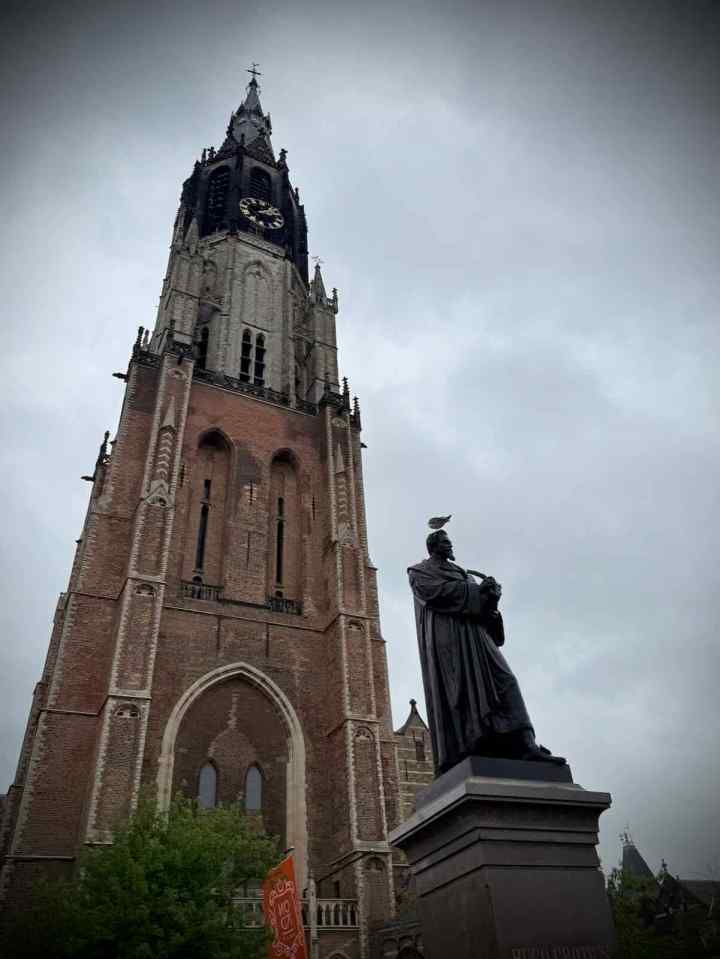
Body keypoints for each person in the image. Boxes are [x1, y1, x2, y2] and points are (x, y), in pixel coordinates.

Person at [408, 529, 565, 774]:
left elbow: (484, 611)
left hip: (476, 636)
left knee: (506, 680)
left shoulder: (464, 574)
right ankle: (474, 742)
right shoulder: (420, 572)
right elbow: (434, 594)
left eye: (451, 542)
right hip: (450, 639)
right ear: (434, 546)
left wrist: (491, 598)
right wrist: (475, 592)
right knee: (462, 692)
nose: (451, 546)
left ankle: (526, 744)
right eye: (446, 543)